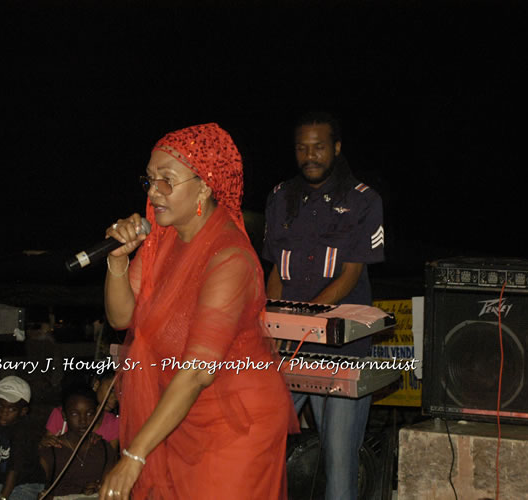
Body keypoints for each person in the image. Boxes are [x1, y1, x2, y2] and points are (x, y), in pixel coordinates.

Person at [99, 123, 298, 499]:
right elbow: (120, 318)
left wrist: (133, 455)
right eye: (150, 180)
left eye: (167, 181)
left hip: (234, 425)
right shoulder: (162, 238)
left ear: (205, 186)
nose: (154, 192)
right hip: (176, 413)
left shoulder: (229, 259)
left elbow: (197, 373)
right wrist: (117, 261)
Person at [262, 111, 385, 500]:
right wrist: (271, 325)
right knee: (260, 447)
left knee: (338, 463)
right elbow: (276, 271)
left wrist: (300, 323)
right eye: (302, 147)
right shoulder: (280, 197)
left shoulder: (364, 200)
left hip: (341, 350)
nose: (309, 155)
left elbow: (349, 276)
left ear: (336, 148)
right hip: (286, 350)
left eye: (318, 147)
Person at [39, 385, 118, 497]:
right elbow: (40, 490)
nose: (83, 420)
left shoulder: (104, 449)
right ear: (64, 415)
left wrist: (97, 489)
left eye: (89, 413)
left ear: (96, 415)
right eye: (75, 414)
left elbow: (109, 488)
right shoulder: (51, 451)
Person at [44, 371, 119, 451]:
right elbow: (46, 449)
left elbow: (111, 460)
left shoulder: (114, 423)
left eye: (121, 392)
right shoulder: (61, 414)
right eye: (112, 390)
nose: (116, 397)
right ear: (96, 385)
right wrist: (46, 442)